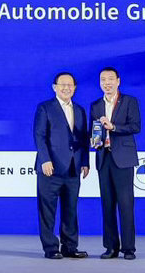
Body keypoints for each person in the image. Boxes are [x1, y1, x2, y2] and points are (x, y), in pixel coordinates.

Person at [34, 72, 90, 260]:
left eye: (70, 85)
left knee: (71, 210)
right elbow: (39, 136)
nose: (66, 88)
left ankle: (70, 247)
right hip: (50, 169)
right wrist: (45, 160)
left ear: (75, 88)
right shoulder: (45, 108)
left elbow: (84, 139)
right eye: (62, 84)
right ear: (54, 87)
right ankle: (51, 248)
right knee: (47, 211)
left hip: (74, 169)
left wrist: (85, 162)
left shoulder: (80, 110)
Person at [90, 66, 140, 260]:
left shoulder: (129, 101)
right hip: (104, 158)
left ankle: (129, 248)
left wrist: (114, 127)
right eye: (103, 80)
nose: (107, 83)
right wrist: (94, 140)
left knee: (126, 205)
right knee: (107, 204)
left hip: (123, 159)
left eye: (110, 79)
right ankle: (111, 247)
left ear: (118, 81)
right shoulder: (95, 105)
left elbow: (135, 126)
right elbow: (94, 129)